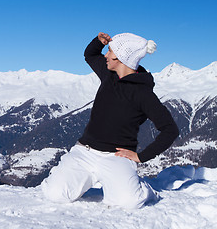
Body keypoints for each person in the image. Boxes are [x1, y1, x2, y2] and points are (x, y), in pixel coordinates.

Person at [41, 32, 179, 209]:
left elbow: (170, 129)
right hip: (85, 152)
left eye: (110, 52)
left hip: (117, 157)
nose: (105, 55)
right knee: (55, 194)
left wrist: (141, 156)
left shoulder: (144, 94)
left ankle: (142, 189)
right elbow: (90, 55)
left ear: (121, 58)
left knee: (128, 202)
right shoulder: (108, 75)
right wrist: (98, 42)